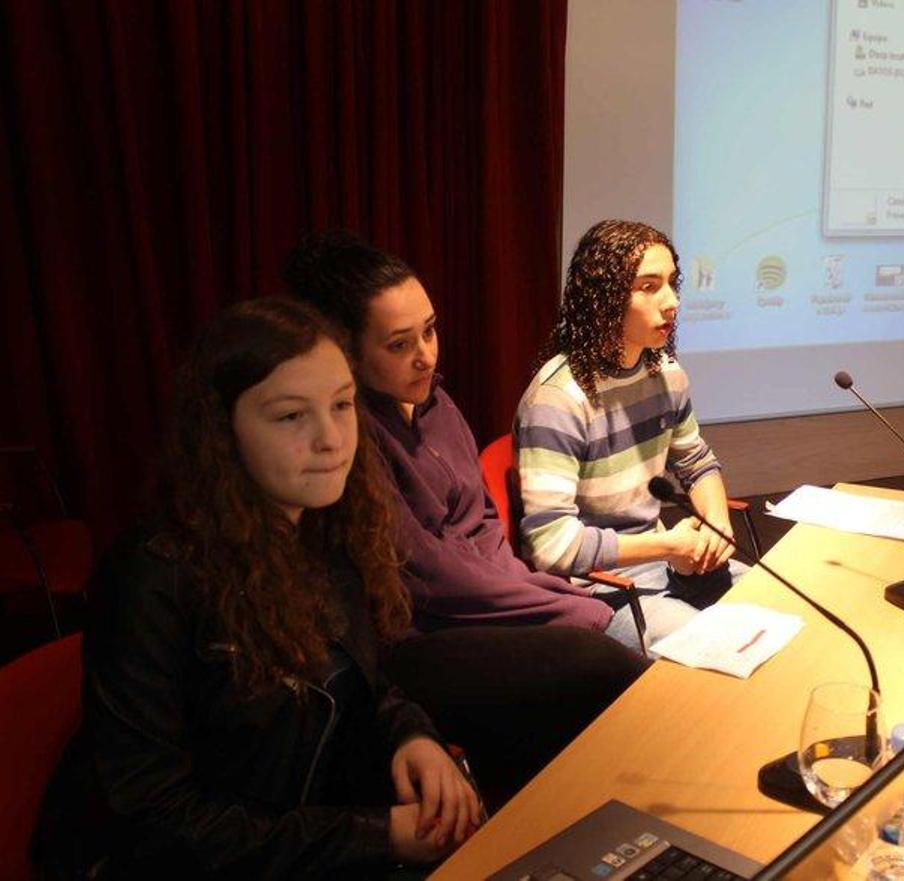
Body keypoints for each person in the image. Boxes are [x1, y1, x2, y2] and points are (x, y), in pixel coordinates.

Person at [82, 300, 645, 879]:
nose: (331, 439)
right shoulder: (152, 578)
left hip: (323, 843)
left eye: (341, 405)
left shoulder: (328, 531)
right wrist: (380, 836)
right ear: (222, 433)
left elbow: (364, 685)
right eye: (290, 416)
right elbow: (154, 823)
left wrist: (412, 737)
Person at [283, 231, 647, 649]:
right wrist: (560, 609)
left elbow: (484, 524)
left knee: (618, 635)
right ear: (347, 352)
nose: (425, 356)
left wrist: (542, 595)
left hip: (494, 600)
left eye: (429, 331)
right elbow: (426, 574)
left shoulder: (437, 403)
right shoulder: (354, 437)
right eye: (399, 345)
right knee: (609, 649)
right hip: (426, 631)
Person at [514, 219, 746, 649]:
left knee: (775, 611)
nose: (672, 302)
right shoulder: (558, 400)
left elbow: (697, 464)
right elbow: (552, 547)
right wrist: (667, 545)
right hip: (596, 588)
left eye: (673, 284)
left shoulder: (667, 374)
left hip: (664, 561)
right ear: (605, 297)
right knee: (713, 649)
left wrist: (717, 524)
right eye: (649, 287)